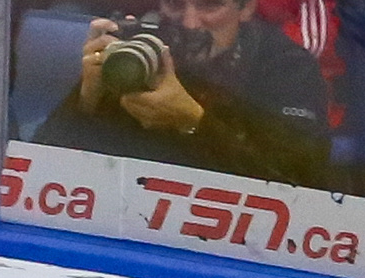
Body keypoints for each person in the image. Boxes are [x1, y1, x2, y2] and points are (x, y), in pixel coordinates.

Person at [32, 0, 334, 187]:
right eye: (175, 4)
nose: (190, 23)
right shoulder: (136, 52)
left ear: (246, 8)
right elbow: (41, 172)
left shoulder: (286, 67)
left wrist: (194, 121)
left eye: (210, 5)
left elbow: (302, 182)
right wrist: (86, 100)